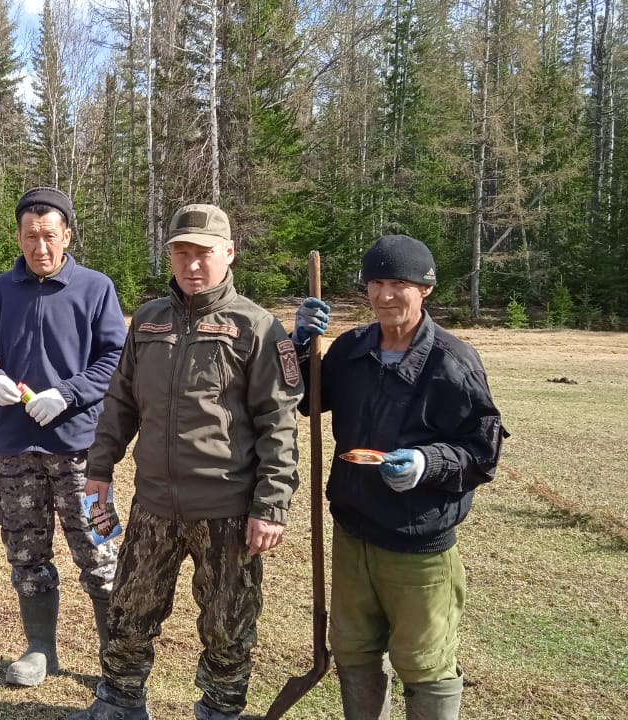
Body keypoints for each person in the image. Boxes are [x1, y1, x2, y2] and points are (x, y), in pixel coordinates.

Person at [70, 204, 303, 720]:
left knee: (226, 626)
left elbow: (278, 423)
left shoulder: (257, 328)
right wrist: (99, 472)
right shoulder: (149, 321)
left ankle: (221, 710)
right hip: (153, 502)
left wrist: (272, 504)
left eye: (203, 253)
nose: (191, 264)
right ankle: (119, 703)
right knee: (130, 610)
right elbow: (120, 403)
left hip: (227, 510)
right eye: (181, 252)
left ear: (228, 253)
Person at [292, 234, 505, 720]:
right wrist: (299, 345)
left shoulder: (453, 362)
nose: (386, 295)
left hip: (418, 544)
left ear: (425, 290)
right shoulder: (350, 349)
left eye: (399, 284)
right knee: (352, 649)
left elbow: (482, 451)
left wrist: (427, 464)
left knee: (423, 662)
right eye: (377, 283)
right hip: (352, 532)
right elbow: (308, 399)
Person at [0, 186, 126, 687]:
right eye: (31, 236)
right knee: (27, 553)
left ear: (67, 235)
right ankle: (39, 650)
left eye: (49, 236)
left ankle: (116, 658)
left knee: (100, 556)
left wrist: (69, 393)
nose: (40, 247)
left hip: (81, 450)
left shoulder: (95, 288)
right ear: (19, 236)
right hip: (16, 448)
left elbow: (115, 360)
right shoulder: (2, 289)